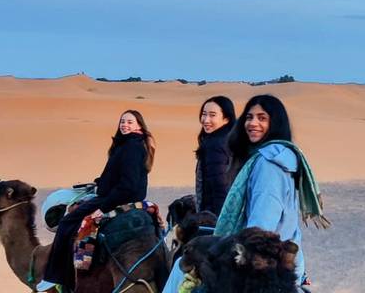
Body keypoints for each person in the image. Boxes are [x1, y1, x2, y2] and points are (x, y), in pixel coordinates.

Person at [163, 95, 329, 292]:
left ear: (276, 123)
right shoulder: (280, 157)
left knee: (179, 270)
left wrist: (215, 244)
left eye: (262, 118)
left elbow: (260, 229)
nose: (253, 123)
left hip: (262, 262)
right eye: (249, 117)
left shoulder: (267, 164)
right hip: (284, 256)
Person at [37, 110, 156, 292]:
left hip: (116, 198)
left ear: (139, 125)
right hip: (119, 195)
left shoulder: (131, 146)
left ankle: (57, 276)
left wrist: (105, 206)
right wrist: (101, 183)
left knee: (68, 223)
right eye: (122, 121)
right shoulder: (132, 144)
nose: (124, 125)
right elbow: (120, 176)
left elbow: (128, 185)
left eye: (130, 122)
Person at [194, 96, 235, 216]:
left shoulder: (215, 144)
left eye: (212, 115)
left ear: (226, 118)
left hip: (214, 214)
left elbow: (220, 187)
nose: (206, 120)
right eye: (204, 114)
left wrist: (218, 222)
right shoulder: (229, 139)